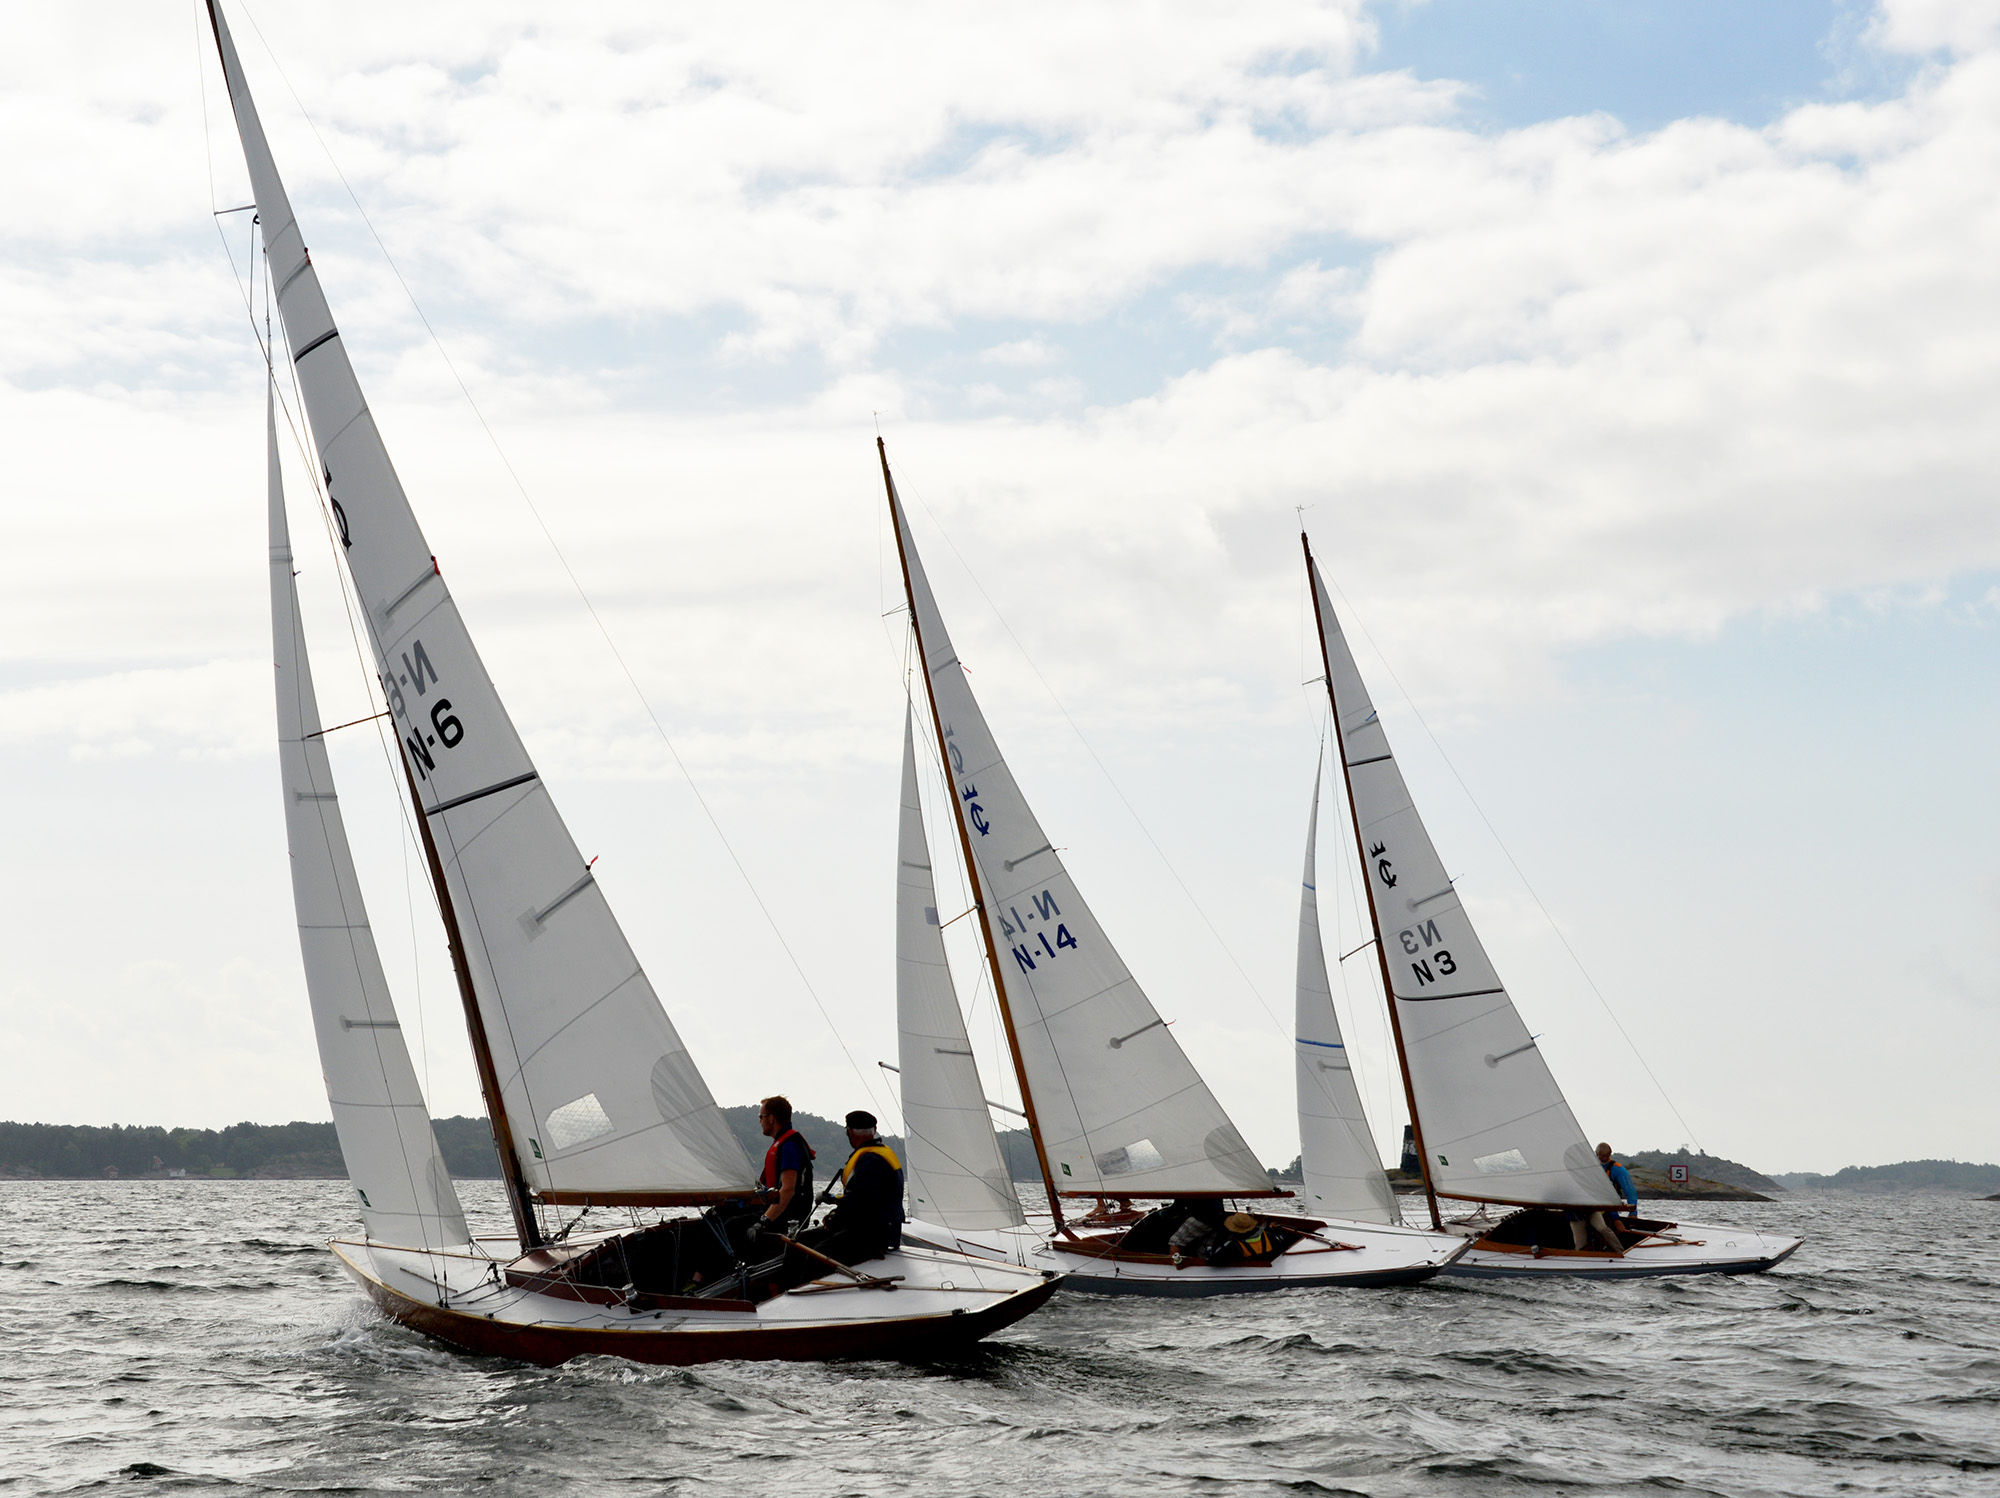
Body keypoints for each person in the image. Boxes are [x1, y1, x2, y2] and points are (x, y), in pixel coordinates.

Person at [788, 1110, 903, 1282]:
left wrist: (833, 1209)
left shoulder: (869, 1161)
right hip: (877, 1227)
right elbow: (863, 1199)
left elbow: (861, 1203)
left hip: (873, 1233)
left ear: (850, 1133)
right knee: (802, 1239)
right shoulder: (880, 1153)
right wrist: (835, 1206)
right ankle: (787, 1286)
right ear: (875, 1129)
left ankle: (801, 1294)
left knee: (817, 1255)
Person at [727, 1095, 815, 1262]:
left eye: (761, 1116)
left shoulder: (789, 1146)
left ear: (771, 1119)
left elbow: (788, 1190)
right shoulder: (783, 1143)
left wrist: (763, 1221)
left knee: (732, 1225)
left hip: (789, 1216)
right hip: (779, 1210)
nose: (759, 1121)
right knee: (717, 1214)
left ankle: (714, 1277)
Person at [1598, 1142, 1639, 1218]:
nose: (1605, 1158)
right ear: (1597, 1154)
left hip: (1610, 1206)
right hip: (1593, 1205)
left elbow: (1630, 1191)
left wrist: (1633, 1213)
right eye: (1602, 1156)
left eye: (1607, 1156)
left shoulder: (1617, 1170)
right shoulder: (1592, 1167)